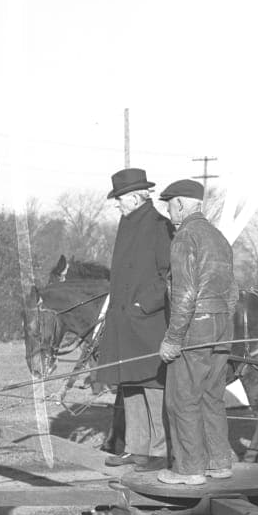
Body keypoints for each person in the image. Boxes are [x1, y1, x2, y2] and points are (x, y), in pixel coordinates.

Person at [155, 179, 240, 486]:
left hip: (194, 329)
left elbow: (185, 295)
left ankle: (189, 469)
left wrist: (173, 339)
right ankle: (219, 463)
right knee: (212, 397)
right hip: (222, 328)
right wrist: (221, 325)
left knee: (182, 399)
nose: (167, 210)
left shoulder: (184, 238)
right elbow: (233, 293)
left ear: (181, 203)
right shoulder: (219, 238)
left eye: (169, 204)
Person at [95, 168, 173, 472]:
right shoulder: (126, 224)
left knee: (153, 385)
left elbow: (167, 275)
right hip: (124, 323)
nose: (118, 204)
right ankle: (134, 449)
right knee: (129, 384)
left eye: (120, 199)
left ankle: (158, 451)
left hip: (148, 322)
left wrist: (144, 305)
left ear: (136, 197)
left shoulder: (159, 226)